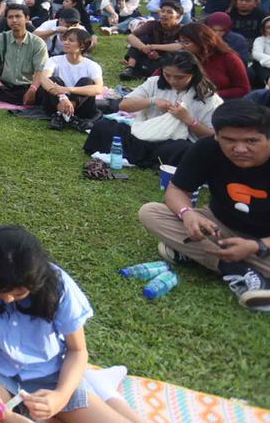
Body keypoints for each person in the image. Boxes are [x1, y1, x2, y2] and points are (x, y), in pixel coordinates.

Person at [0, 226, 158, 423]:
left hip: (50, 376)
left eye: (18, 293)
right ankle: (94, 387)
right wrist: (3, 414)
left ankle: (99, 387)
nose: (7, 300)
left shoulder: (58, 287)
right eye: (0, 292)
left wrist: (60, 397)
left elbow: (78, 350)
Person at [139, 100, 270, 309]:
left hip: (264, 241)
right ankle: (235, 269)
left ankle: (194, 253)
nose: (240, 148)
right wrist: (187, 213)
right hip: (218, 226)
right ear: (217, 135)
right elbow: (177, 190)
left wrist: (257, 246)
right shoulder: (208, 148)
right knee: (151, 213)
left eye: (252, 141)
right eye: (229, 140)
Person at [84, 51, 221, 168]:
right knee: (104, 126)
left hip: (175, 142)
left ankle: (149, 159)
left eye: (179, 77)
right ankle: (150, 159)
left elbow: (214, 136)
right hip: (144, 133)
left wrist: (189, 120)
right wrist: (152, 101)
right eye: (167, 75)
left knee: (183, 150)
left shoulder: (208, 98)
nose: (172, 81)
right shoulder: (155, 83)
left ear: (193, 74)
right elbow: (123, 104)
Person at [0, 4, 49, 111]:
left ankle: (16, 98)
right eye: (10, 17)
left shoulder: (38, 43)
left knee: (43, 93)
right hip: (5, 85)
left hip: (28, 86)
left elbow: (40, 70)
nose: (14, 20)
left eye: (18, 16)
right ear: (6, 20)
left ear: (27, 18)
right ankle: (21, 100)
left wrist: (33, 89)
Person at [37, 27, 104, 130]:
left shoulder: (92, 65)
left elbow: (98, 88)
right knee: (54, 79)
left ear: (82, 46)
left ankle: (62, 115)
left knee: (87, 81)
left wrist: (68, 90)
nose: (65, 42)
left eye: (71, 40)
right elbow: (44, 79)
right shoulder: (54, 60)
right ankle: (69, 117)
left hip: (80, 106)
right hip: (56, 102)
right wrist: (63, 97)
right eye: (65, 39)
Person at [179, 22, 250, 99]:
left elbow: (243, 89)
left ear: (201, 41)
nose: (182, 46)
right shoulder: (184, 58)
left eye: (186, 42)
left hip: (221, 101)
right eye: (180, 42)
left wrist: (213, 94)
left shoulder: (229, 58)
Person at [120, 0, 184, 80]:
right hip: (148, 56)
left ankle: (151, 74)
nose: (164, 14)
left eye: (169, 12)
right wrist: (144, 48)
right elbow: (130, 37)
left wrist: (153, 47)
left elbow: (182, 46)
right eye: (162, 11)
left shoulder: (182, 29)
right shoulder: (152, 24)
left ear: (177, 17)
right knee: (140, 40)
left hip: (167, 60)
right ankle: (130, 69)